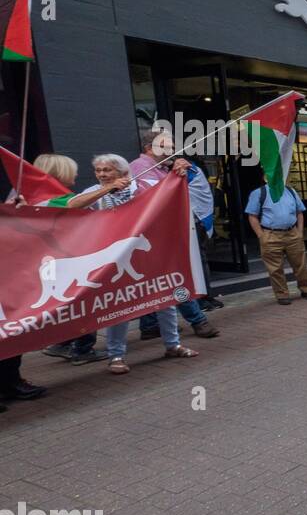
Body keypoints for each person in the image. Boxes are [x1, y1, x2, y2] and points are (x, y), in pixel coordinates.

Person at [67, 154, 199, 374]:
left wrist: (179, 167)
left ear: (122, 171)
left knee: (165, 298)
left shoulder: (144, 185)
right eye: (98, 171)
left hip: (149, 255)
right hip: (115, 260)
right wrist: (105, 189)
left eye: (107, 170)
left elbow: (171, 189)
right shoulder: (95, 191)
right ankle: (116, 355)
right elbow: (72, 205)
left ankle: (172, 345)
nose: (101, 174)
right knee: (118, 307)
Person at [134, 131, 220, 339]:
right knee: (175, 279)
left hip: (160, 236)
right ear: (149, 148)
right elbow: (158, 198)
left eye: (172, 147)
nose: (171, 151)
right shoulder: (140, 168)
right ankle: (198, 321)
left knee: (154, 283)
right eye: (166, 147)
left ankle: (150, 325)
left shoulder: (160, 168)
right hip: (154, 237)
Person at [25, 153, 106, 365]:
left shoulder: (29, 196)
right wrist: (108, 188)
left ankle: (61, 343)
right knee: (82, 299)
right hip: (65, 258)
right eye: (72, 170)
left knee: (65, 301)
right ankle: (82, 349)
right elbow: (72, 204)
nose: (77, 173)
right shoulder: (50, 199)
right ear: (59, 173)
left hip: (51, 258)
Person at [245, 173, 307, 305]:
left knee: (300, 264)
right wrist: (261, 235)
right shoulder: (258, 193)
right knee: (275, 268)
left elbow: (299, 212)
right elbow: (252, 216)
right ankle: (282, 294)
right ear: (265, 178)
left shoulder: (290, 191)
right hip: (270, 234)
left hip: (292, 233)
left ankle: (306, 289)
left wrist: (300, 232)